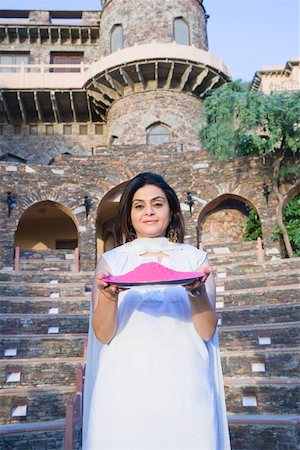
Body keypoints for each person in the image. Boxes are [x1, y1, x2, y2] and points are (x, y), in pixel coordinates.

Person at [82, 172, 231, 450]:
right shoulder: (111, 262)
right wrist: (109, 297)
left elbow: (207, 330)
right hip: (125, 381)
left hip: (185, 381)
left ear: (171, 210)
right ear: (129, 215)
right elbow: (102, 335)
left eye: (157, 204)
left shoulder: (194, 259)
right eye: (139, 206)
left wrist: (197, 292)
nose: (148, 211)